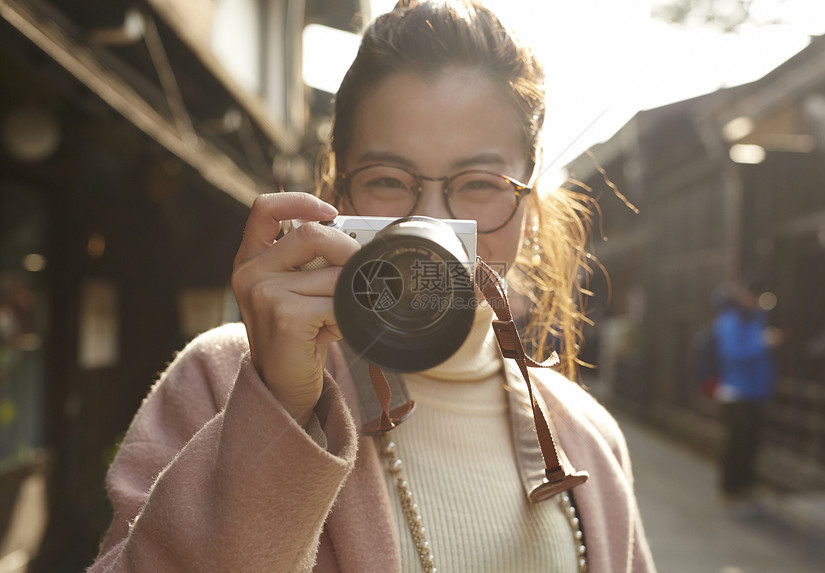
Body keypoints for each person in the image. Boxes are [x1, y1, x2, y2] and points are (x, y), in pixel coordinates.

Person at [88, 2, 655, 571]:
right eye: (389, 180)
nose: (431, 220)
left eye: (480, 184)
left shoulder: (585, 439)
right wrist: (276, 407)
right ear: (341, 194)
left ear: (530, 207)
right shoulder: (226, 378)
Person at [713, 279, 782, 505]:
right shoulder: (729, 321)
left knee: (752, 441)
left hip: (757, 391)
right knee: (736, 442)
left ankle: (745, 484)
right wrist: (762, 343)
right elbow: (732, 353)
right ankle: (730, 486)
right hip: (736, 391)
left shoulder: (757, 319)